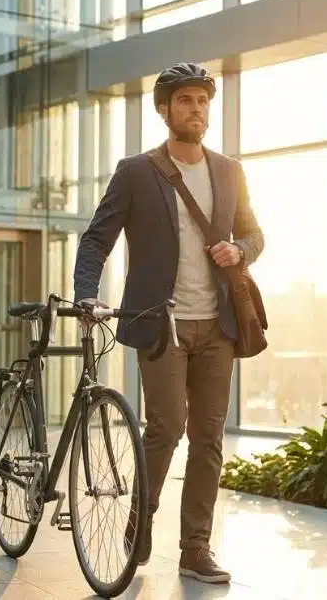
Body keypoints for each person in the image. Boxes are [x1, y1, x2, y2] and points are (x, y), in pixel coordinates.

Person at [73, 62, 264, 584]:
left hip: (219, 324)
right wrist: (86, 295)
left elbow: (255, 236)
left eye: (202, 100)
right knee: (165, 429)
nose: (196, 109)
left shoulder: (229, 171)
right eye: (185, 101)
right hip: (163, 324)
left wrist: (238, 249)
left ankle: (195, 549)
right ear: (164, 110)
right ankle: (140, 524)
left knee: (208, 438)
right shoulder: (137, 171)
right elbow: (97, 239)